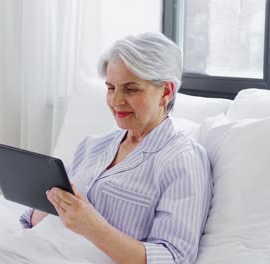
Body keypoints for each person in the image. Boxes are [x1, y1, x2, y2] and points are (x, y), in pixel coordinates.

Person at [20, 32, 212, 264]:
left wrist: (94, 228)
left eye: (131, 89)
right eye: (111, 88)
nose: (116, 101)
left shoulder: (182, 160)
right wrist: (52, 204)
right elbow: (31, 222)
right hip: (35, 250)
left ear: (166, 91)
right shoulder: (92, 146)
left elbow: (173, 258)